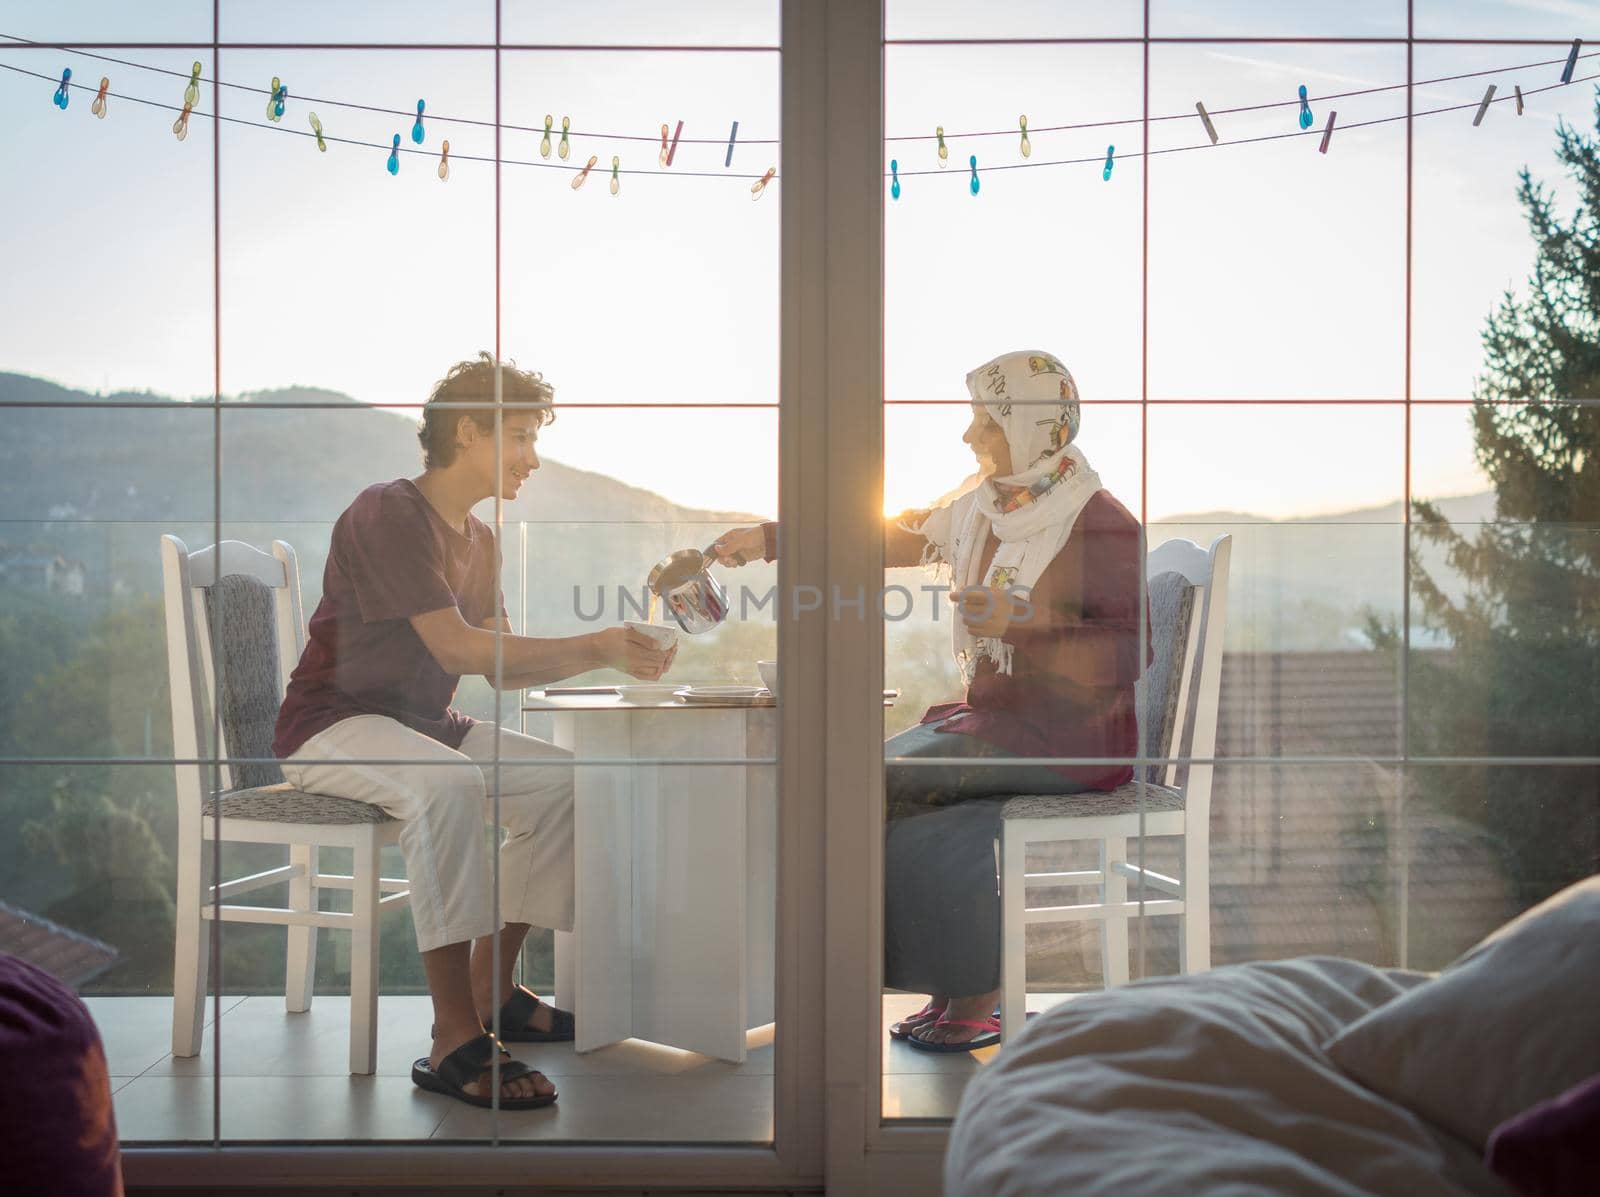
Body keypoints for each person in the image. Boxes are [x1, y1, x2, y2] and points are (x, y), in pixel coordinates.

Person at [711, 349, 1147, 1051]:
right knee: (900, 790)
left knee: (886, 778)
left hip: (1074, 742)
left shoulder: (1102, 523)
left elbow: (1128, 653)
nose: (970, 438)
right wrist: (771, 538)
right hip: (1005, 725)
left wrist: (1023, 623)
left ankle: (970, 991)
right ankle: (961, 990)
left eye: (987, 423)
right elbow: (892, 534)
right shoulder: (985, 508)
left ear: (1037, 428)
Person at [273, 353, 676, 1108]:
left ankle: (493, 990)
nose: (533, 456)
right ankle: (452, 1036)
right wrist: (596, 646)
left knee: (563, 782)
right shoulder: (387, 511)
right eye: (520, 435)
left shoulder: (481, 539)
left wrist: (612, 651)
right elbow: (457, 647)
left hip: (422, 725)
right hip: (332, 725)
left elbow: (500, 667)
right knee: (450, 786)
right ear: (468, 431)